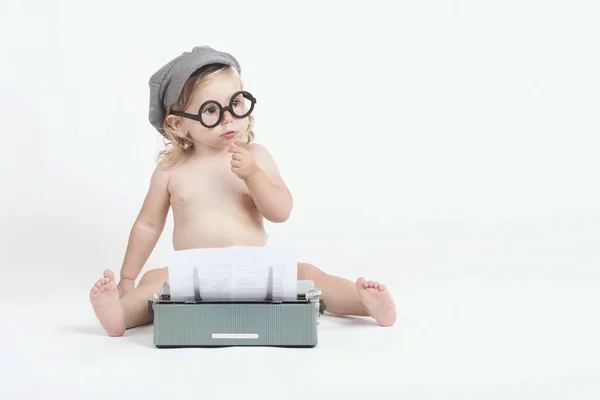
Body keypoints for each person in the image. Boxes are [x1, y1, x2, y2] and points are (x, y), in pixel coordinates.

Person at [89, 46, 396, 337]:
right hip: (196, 275)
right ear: (179, 125)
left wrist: (253, 176)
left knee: (309, 274)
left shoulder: (256, 157)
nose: (228, 118)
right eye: (211, 110)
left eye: (235, 103)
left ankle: (364, 303)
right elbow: (148, 224)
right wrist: (127, 278)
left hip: (254, 272)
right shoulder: (171, 171)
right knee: (154, 281)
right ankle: (120, 314)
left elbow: (281, 211)